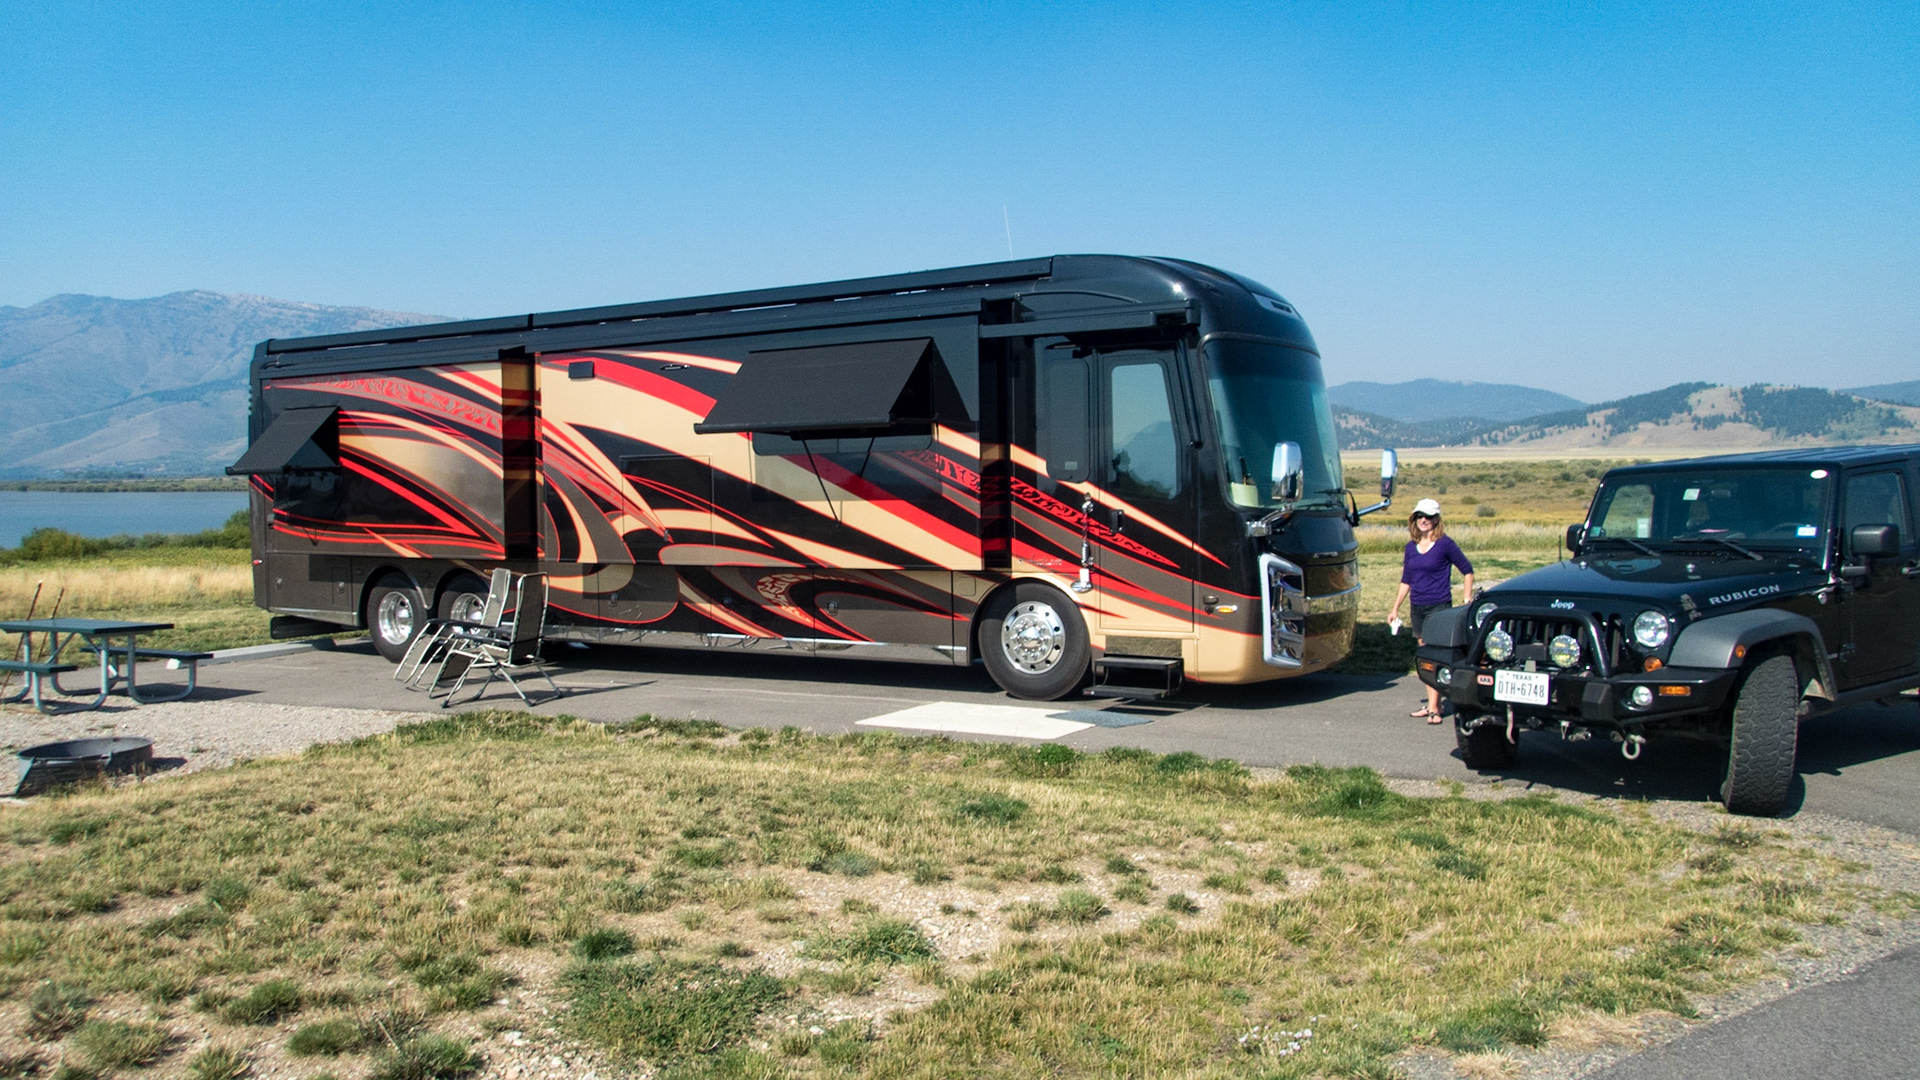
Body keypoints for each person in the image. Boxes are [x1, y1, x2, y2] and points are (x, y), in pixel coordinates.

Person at [1388, 498, 1474, 722]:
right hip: (1418, 607)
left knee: (1436, 656)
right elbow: (1406, 579)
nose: (1423, 521)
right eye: (1419, 517)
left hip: (1439, 606)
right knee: (1425, 657)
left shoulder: (1445, 544)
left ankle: (1435, 707)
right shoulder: (1410, 548)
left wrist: (1467, 596)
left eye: (1428, 517)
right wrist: (1395, 608)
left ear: (1436, 519)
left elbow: (1467, 570)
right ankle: (1432, 705)